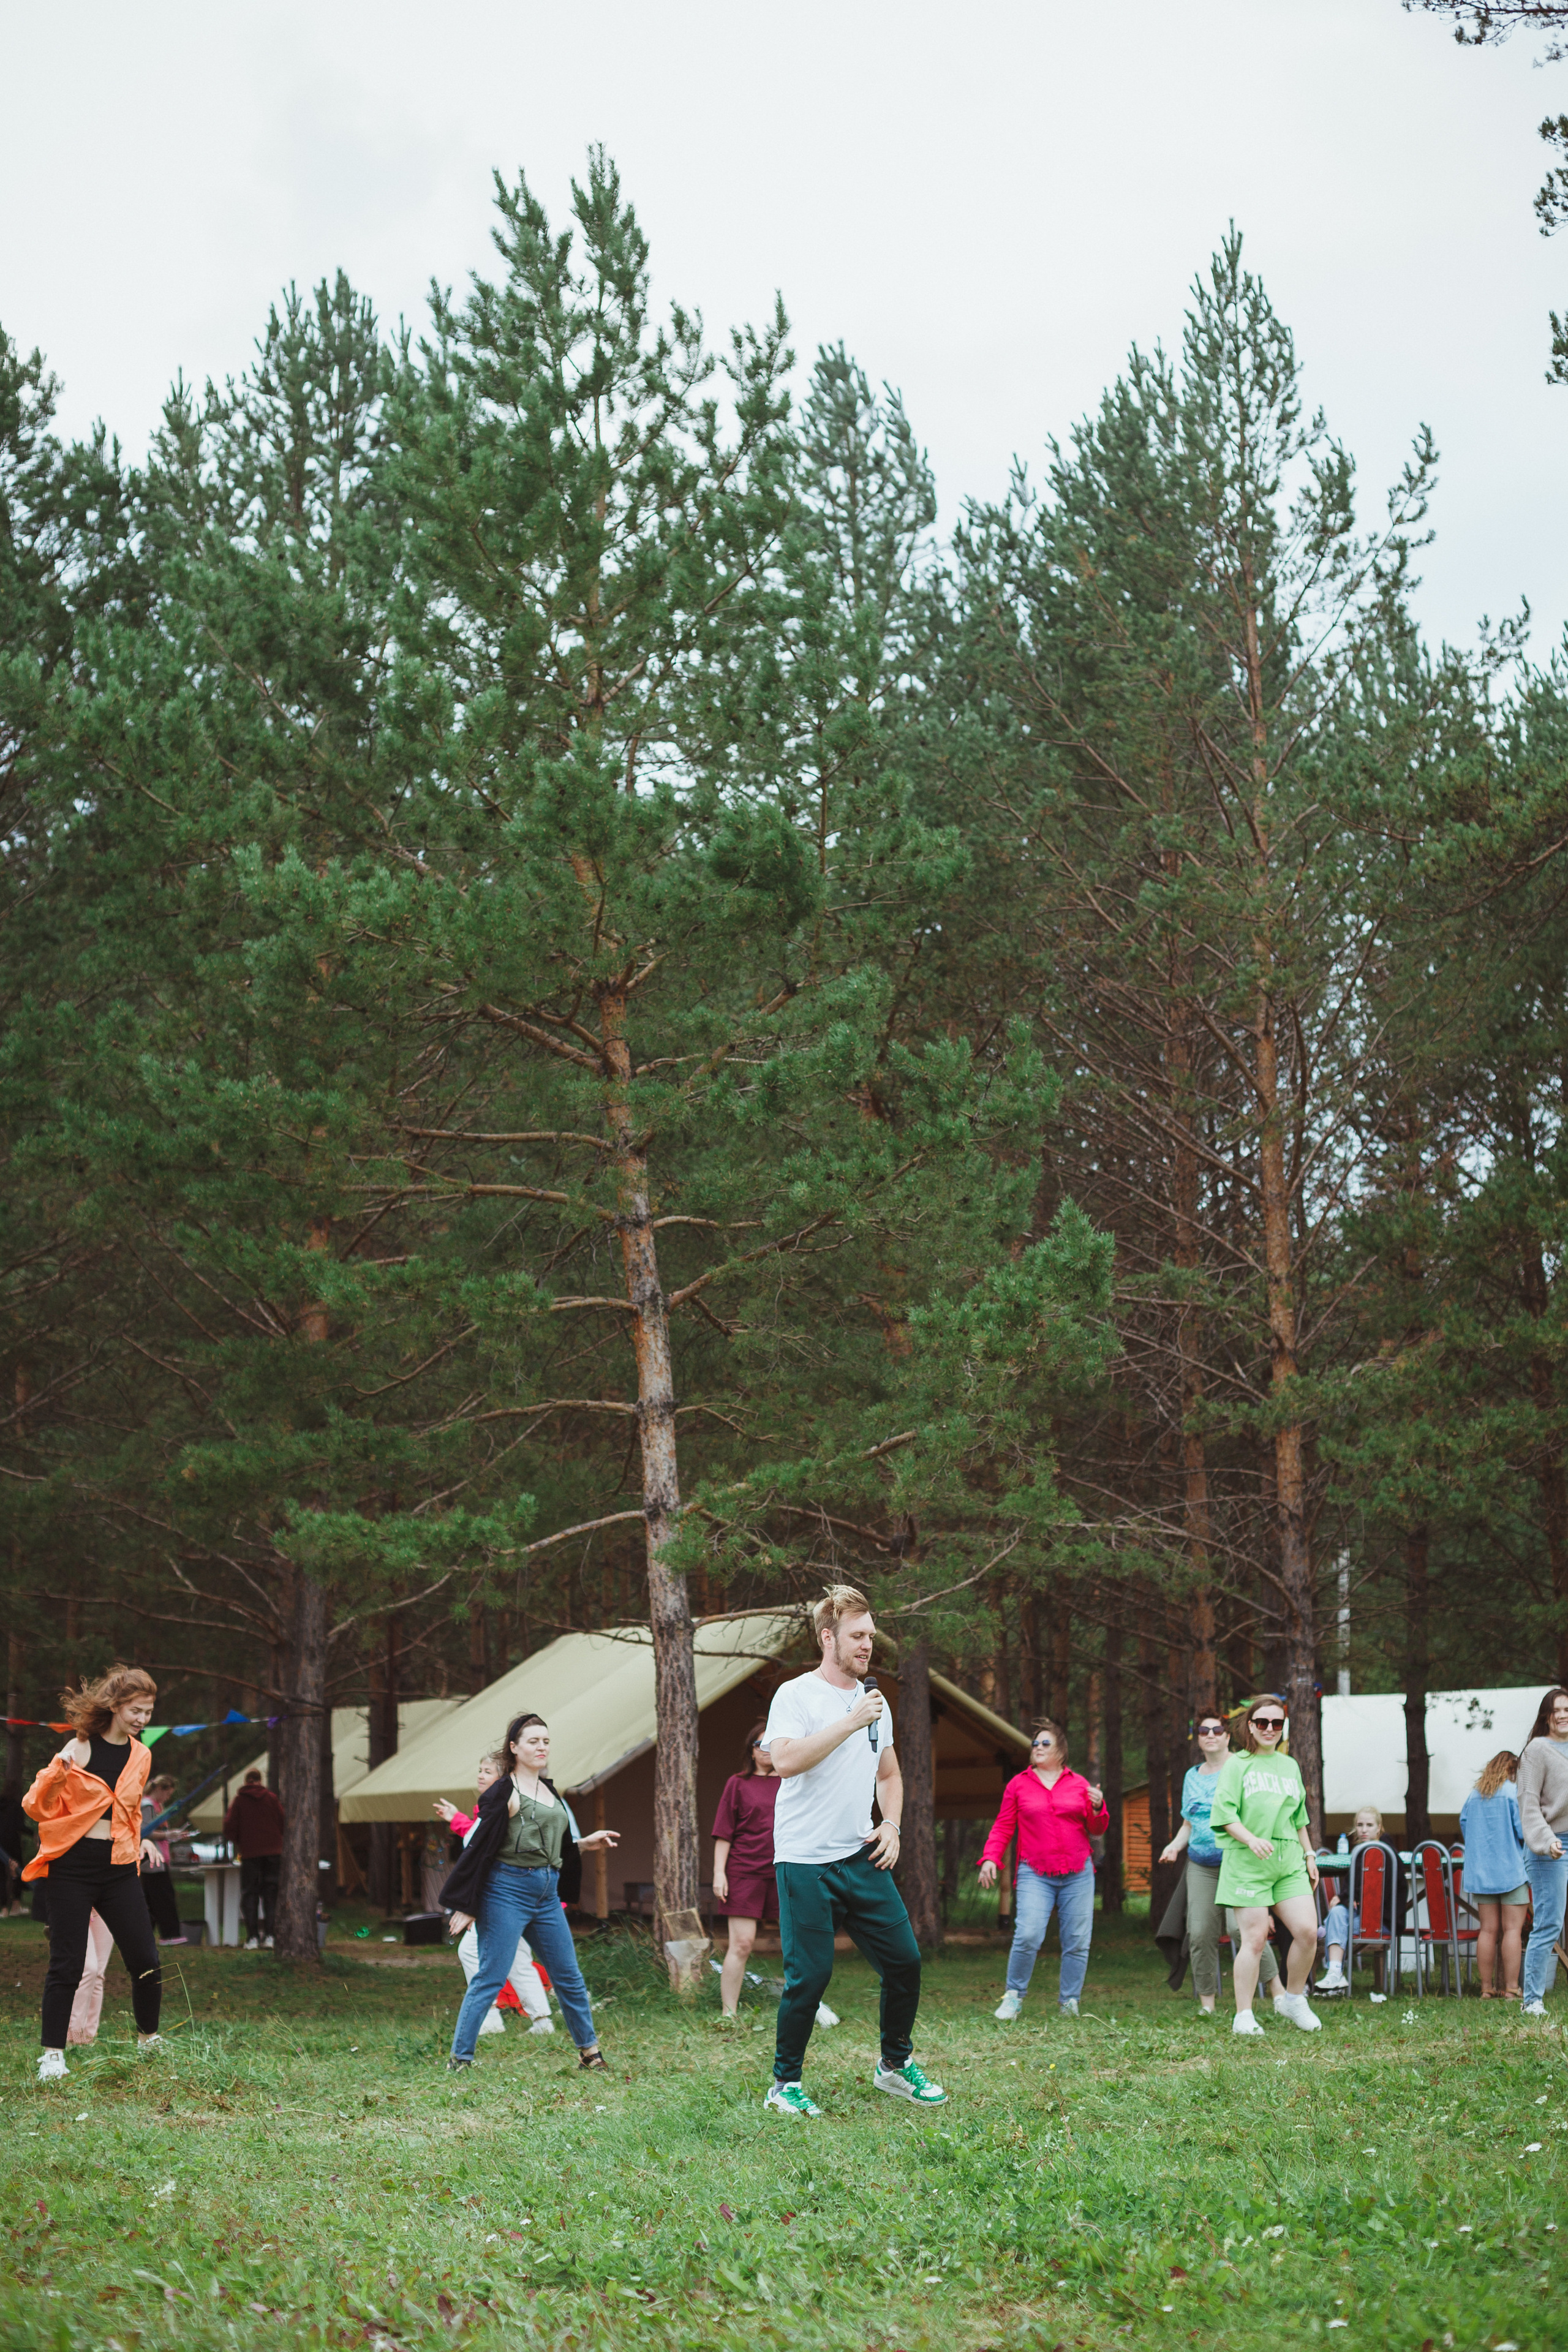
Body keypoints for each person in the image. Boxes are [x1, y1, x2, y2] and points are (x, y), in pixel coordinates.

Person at [758, 1585, 946, 2117]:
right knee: (810, 1976)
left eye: (870, 1635)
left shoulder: (875, 1703)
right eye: (857, 1636)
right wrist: (849, 1721)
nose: (868, 1645)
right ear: (828, 1637)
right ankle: (785, 2084)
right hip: (803, 1859)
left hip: (860, 1854)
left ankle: (893, 2066)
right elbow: (786, 1761)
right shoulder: (797, 1695)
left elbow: (889, 1775)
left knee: (905, 1962)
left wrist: (891, 1824)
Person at [442, 1711, 620, 2073]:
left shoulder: (548, 1789)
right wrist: (468, 1904)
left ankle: (590, 2053)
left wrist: (585, 1843)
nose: (542, 1747)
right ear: (514, 1748)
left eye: (546, 1741)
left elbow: (555, 1843)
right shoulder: (503, 1791)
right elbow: (479, 1849)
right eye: (533, 1741)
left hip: (546, 1893)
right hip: (506, 1891)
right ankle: (460, 2059)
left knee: (568, 1976)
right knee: (491, 1975)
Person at [22, 1662, 166, 2083]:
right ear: (116, 1705)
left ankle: (149, 2042)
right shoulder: (80, 1748)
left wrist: (140, 1838)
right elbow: (36, 1806)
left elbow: (131, 1808)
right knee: (67, 1962)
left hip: (119, 1868)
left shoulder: (142, 1754)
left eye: (149, 1712)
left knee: (146, 1959)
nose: (142, 1720)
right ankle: (52, 2055)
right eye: (136, 1711)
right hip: (73, 1867)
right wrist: (58, 1769)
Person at [1209, 1694, 1322, 2037]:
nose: (1270, 1729)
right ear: (1251, 1727)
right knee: (1255, 1938)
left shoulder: (1289, 1765)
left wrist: (1309, 1854)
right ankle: (1244, 2015)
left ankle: (1293, 1999)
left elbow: (1299, 1817)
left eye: (1277, 1723)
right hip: (1248, 1861)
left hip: (1288, 1859)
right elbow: (1225, 1813)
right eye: (1263, 1723)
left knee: (1306, 1932)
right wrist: (1250, 1839)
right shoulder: (1237, 1764)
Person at [1159, 1709, 1286, 2016]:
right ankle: (1208, 2004)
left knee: (1243, 1930)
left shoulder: (1243, 1766)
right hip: (1201, 1864)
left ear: (1228, 1736)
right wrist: (1174, 1847)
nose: (1211, 1736)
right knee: (1201, 1931)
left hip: (1237, 1860)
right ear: (1199, 1739)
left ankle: (1279, 1993)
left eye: (1217, 1731)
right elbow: (1189, 1824)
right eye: (1204, 1731)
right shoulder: (1192, 1776)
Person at [979, 1717, 1106, 2019]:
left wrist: (1100, 1807)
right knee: (1028, 1935)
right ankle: (1013, 1997)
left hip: (1078, 1872)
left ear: (1061, 1750)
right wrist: (990, 1858)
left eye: (1045, 1743)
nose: (1037, 1747)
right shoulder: (1019, 1784)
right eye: (1035, 1743)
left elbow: (1096, 1829)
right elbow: (1003, 1826)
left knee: (1077, 1940)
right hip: (1035, 1872)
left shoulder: (1079, 1785)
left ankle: (1070, 2002)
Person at [435, 1754, 555, 2036]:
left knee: (471, 1952)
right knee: (516, 1958)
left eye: (487, 1772)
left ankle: (491, 2018)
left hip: (503, 1898)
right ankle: (541, 2021)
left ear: (503, 1779)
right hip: (510, 1897)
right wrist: (456, 1819)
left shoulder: (504, 1810)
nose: (479, 1775)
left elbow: (487, 1857)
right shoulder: (488, 1809)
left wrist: (471, 1905)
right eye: (479, 1770)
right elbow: (476, 1839)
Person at [712, 1722, 781, 2017]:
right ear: (751, 1751)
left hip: (784, 1872)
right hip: (743, 1872)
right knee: (742, 1944)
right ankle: (729, 2012)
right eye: (759, 1745)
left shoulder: (794, 1782)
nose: (766, 1750)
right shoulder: (738, 1784)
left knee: (796, 1944)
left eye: (772, 1744)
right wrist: (719, 1873)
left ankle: (801, 2009)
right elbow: (724, 1832)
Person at [1459, 1751, 1528, 2000]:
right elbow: (1523, 1831)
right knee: (1512, 1931)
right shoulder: (1512, 1793)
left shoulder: (1474, 1796)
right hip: (1511, 1870)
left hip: (1481, 1873)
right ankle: (1511, 1988)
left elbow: (1465, 1824)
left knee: (1487, 1931)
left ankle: (1486, 1988)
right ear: (1512, 1770)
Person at [1517, 1684, 1568, 2018]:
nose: (1563, 1716)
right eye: (1557, 1710)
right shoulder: (1537, 1750)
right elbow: (1528, 1801)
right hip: (1550, 1844)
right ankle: (1531, 2000)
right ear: (1546, 1716)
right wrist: (1545, 1840)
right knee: (1549, 1923)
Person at [1316, 1804, 1385, 1991]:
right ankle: (1335, 1974)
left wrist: (1348, 1898)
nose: (1363, 1830)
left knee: (1335, 1922)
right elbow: (1353, 1890)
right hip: (1358, 1917)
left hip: (1380, 1921)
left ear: (1379, 1828)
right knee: (1338, 1911)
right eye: (1360, 1825)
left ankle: (1326, 1929)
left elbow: (1380, 1892)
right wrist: (1345, 1898)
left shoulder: (1387, 1853)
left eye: (1369, 1825)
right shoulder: (1357, 1853)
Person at [223, 1768, 285, 1948]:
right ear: (260, 1780)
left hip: (250, 1854)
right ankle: (270, 1936)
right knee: (271, 1894)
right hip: (273, 1853)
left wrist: (241, 1841)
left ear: (246, 1781)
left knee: (250, 1894)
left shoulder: (239, 1801)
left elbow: (229, 1826)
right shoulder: (272, 1798)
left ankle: (252, 1937)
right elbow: (283, 1821)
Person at [138, 1774, 186, 1945]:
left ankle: (145, 1937)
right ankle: (169, 1934)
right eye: (167, 1794)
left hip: (159, 1857)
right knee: (163, 1897)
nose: (168, 1798)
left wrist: (172, 1836)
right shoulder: (148, 1806)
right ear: (159, 1789)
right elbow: (145, 1831)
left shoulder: (158, 1806)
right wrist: (168, 1834)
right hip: (152, 1858)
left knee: (152, 1899)